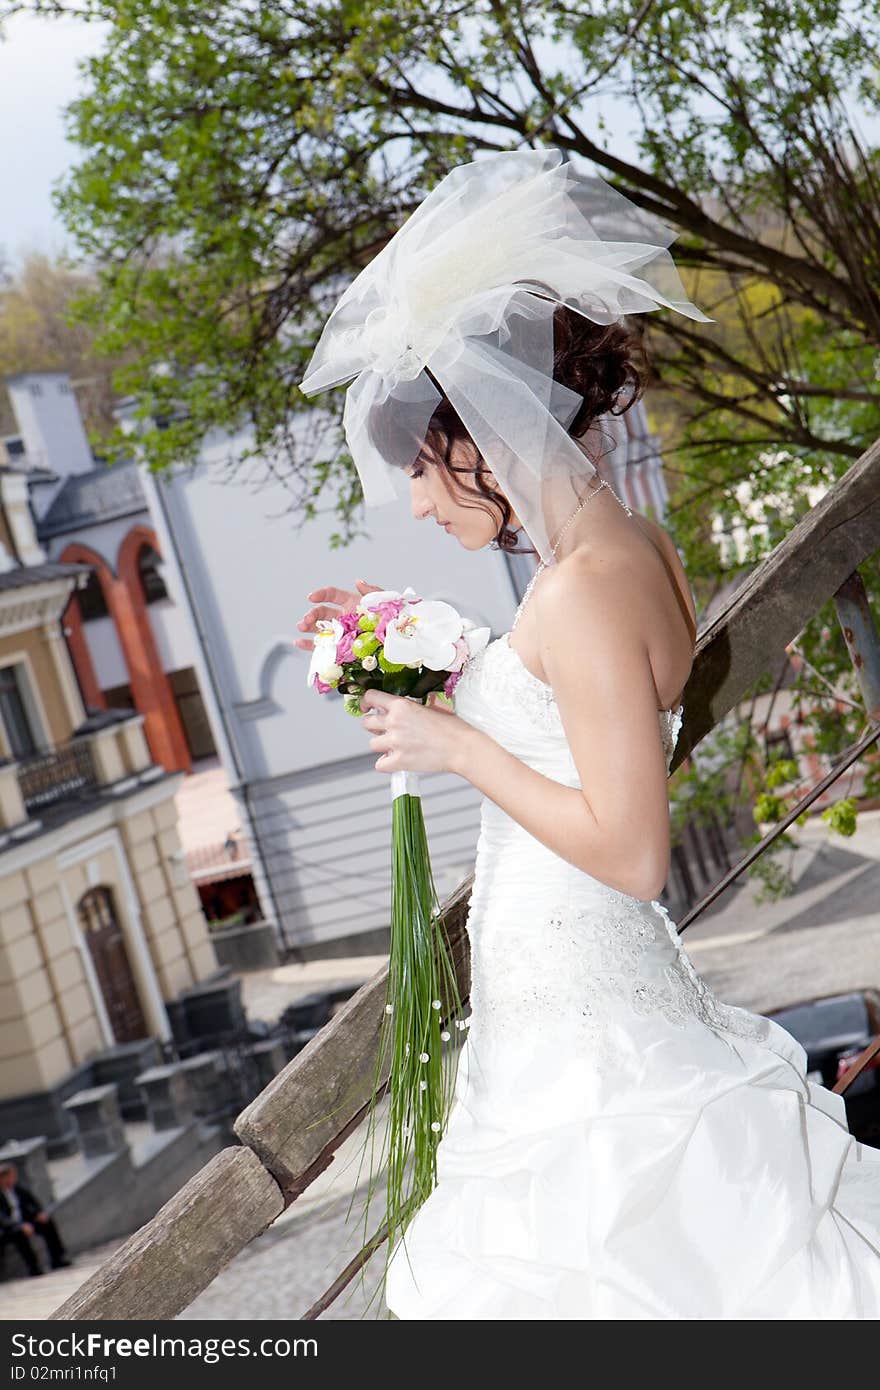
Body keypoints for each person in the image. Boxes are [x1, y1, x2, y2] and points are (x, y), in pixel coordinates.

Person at [297, 149, 880, 1318]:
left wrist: (455, 747)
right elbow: (577, 709)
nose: (414, 501)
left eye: (417, 468)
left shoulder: (578, 589)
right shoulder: (622, 553)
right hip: (572, 989)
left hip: (588, 1009)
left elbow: (632, 849)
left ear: (480, 436)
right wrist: (441, 659)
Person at [0, 1162, 72, 1277]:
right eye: (9, 1177)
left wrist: (39, 1213)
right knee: (19, 1235)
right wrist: (19, 1226)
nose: (12, 1179)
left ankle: (57, 1259)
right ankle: (33, 1267)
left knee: (47, 1224)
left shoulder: (18, 1189)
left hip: (26, 1222)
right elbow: (2, 1218)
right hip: (9, 1228)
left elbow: (33, 1202)